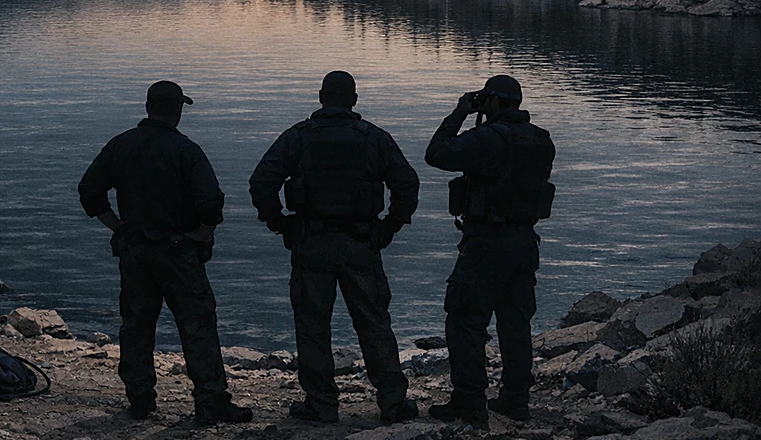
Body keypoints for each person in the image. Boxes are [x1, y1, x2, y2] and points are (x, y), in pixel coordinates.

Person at [248, 71, 420, 425]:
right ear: (354, 100)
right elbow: (407, 183)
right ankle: (391, 402)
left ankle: (322, 404)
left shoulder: (297, 137)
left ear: (321, 97)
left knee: (312, 325)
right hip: (360, 243)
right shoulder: (374, 138)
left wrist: (279, 222)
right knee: (374, 323)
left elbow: (261, 181)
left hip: (312, 244)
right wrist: (390, 226)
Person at [78, 80, 253, 426]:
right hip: (178, 254)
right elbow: (211, 202)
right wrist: (202, 234)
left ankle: (140, 399)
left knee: (137, 325)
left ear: (147, 107)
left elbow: (89, 190)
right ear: (177, 111)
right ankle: (211, 401)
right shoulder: (185, 150)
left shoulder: (121, 145)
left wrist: (118, 227)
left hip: (135, 252)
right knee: (198, 324)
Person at [423, 74, 555, 427]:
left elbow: (436, 153)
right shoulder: (541, 140)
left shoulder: (489, 139)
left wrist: (460, 113)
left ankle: (469, 403)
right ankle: (515, 400)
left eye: (486, 100)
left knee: (466, 320)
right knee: (515, 323)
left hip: (487, 242)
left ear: (494, 103)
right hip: (525, 242)